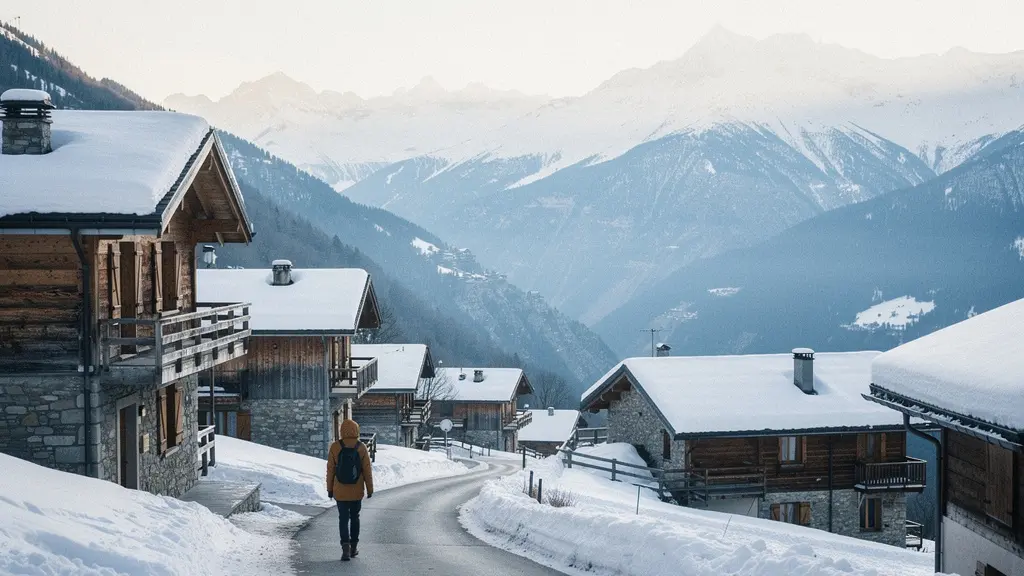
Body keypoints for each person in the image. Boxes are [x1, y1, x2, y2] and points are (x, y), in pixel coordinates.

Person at [326, 418, 374, 561]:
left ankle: (345, 549)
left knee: (343, 519)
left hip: (340, 491)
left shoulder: (335, 447)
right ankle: (353, 548)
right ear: (356, 430)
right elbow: (367, 470)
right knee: (355, 518)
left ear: (341, 431)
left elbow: (330, 470)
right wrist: (369, 489)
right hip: (356, 490)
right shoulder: (361, 447)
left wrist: (330, 489)